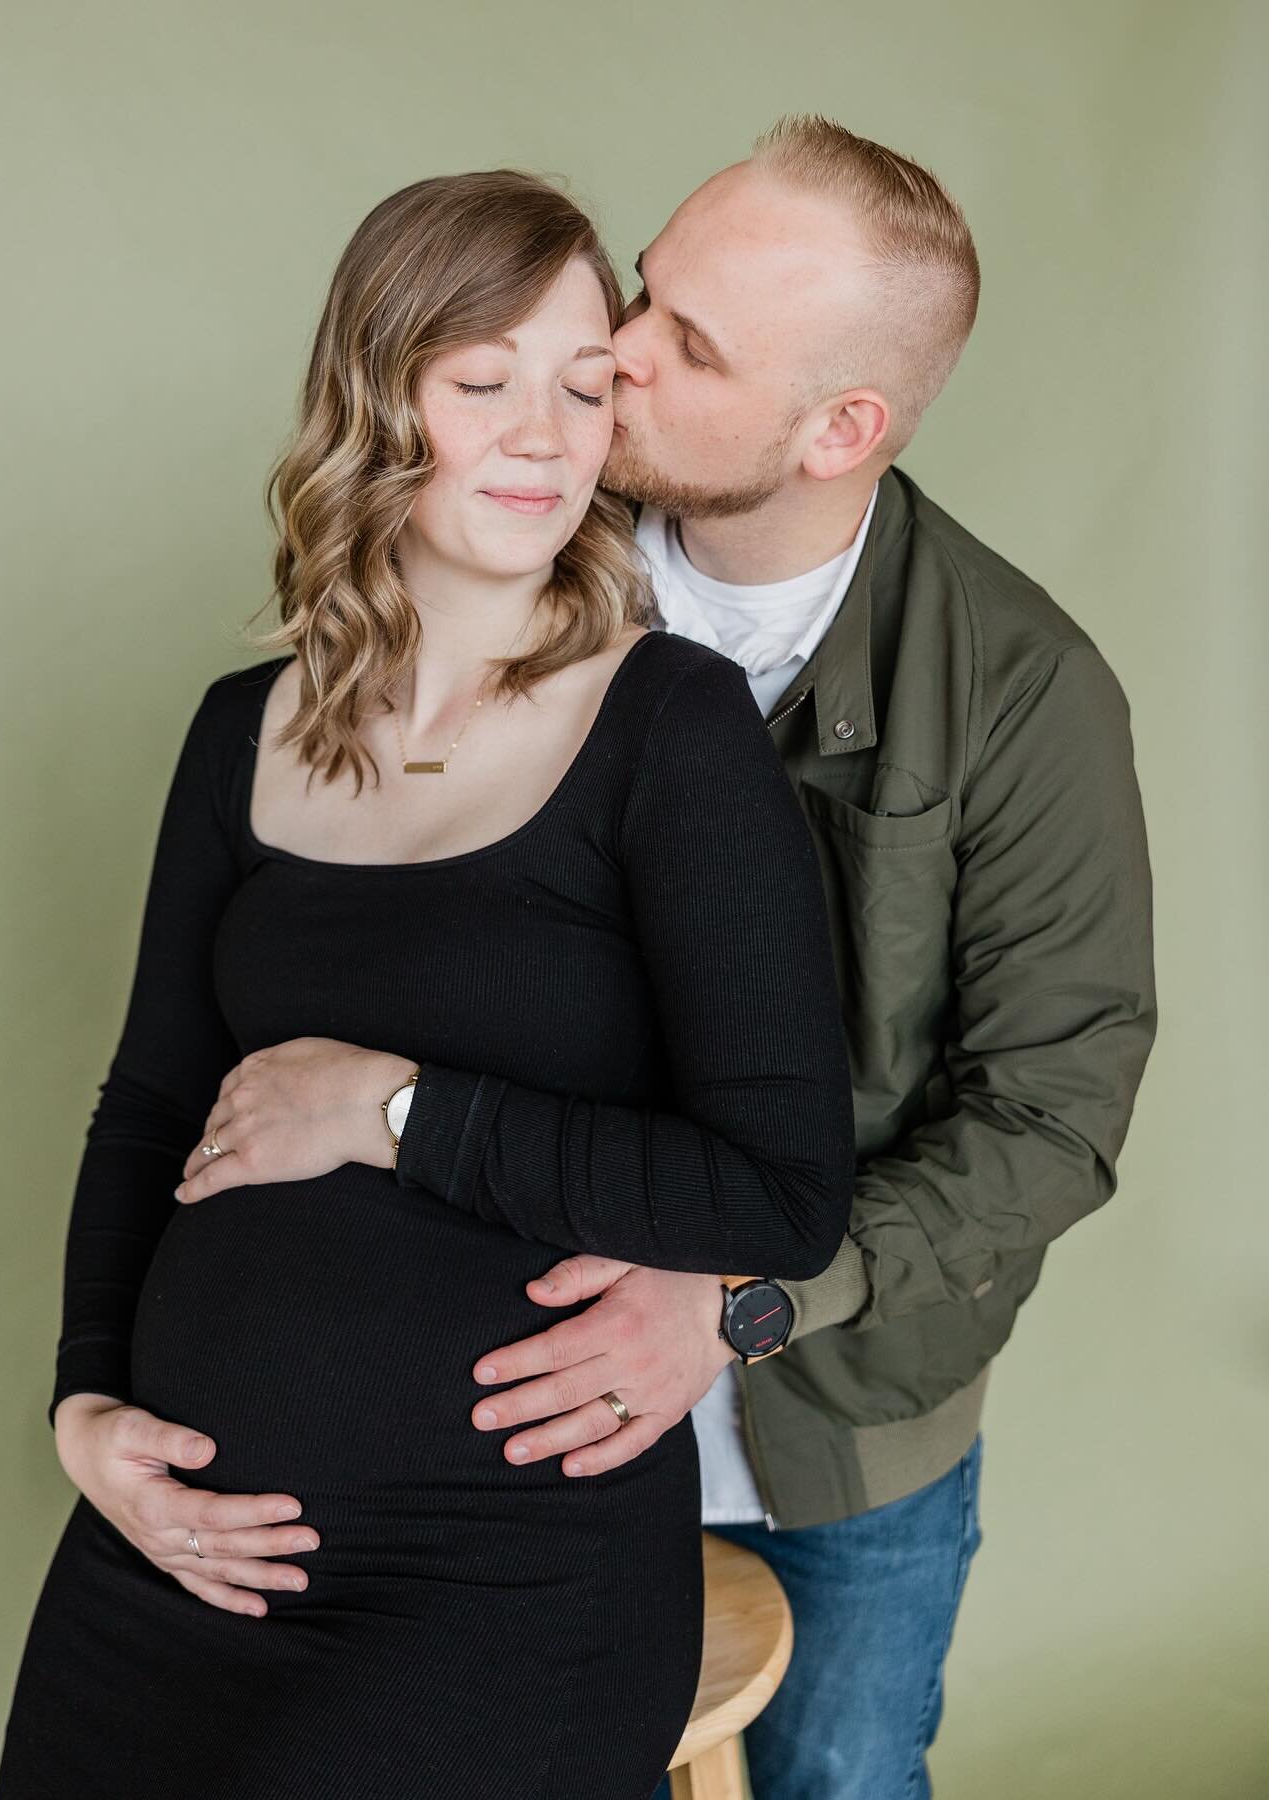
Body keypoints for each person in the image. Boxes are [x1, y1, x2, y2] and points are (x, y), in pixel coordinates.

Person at [0, 167, 858, 1799]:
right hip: (176, 1564)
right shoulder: (240, 730)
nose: (545, 434)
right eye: (484, 384)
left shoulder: (670, 729)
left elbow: (781, 1189)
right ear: (376, 397)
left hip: (494, 1583)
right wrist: (87, 1414)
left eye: (586, 385)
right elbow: (148, 1107)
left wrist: (395, 1111)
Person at [453, 116, 1150, 1800]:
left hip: (848, 1429)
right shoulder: (514, 578)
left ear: (844, 428)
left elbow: (1056, 1113)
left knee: (841, 1781)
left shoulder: (1028, 693)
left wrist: (751, 1304)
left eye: (689, 346)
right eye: (645, 292)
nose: (610, 353)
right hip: (507, 1381)